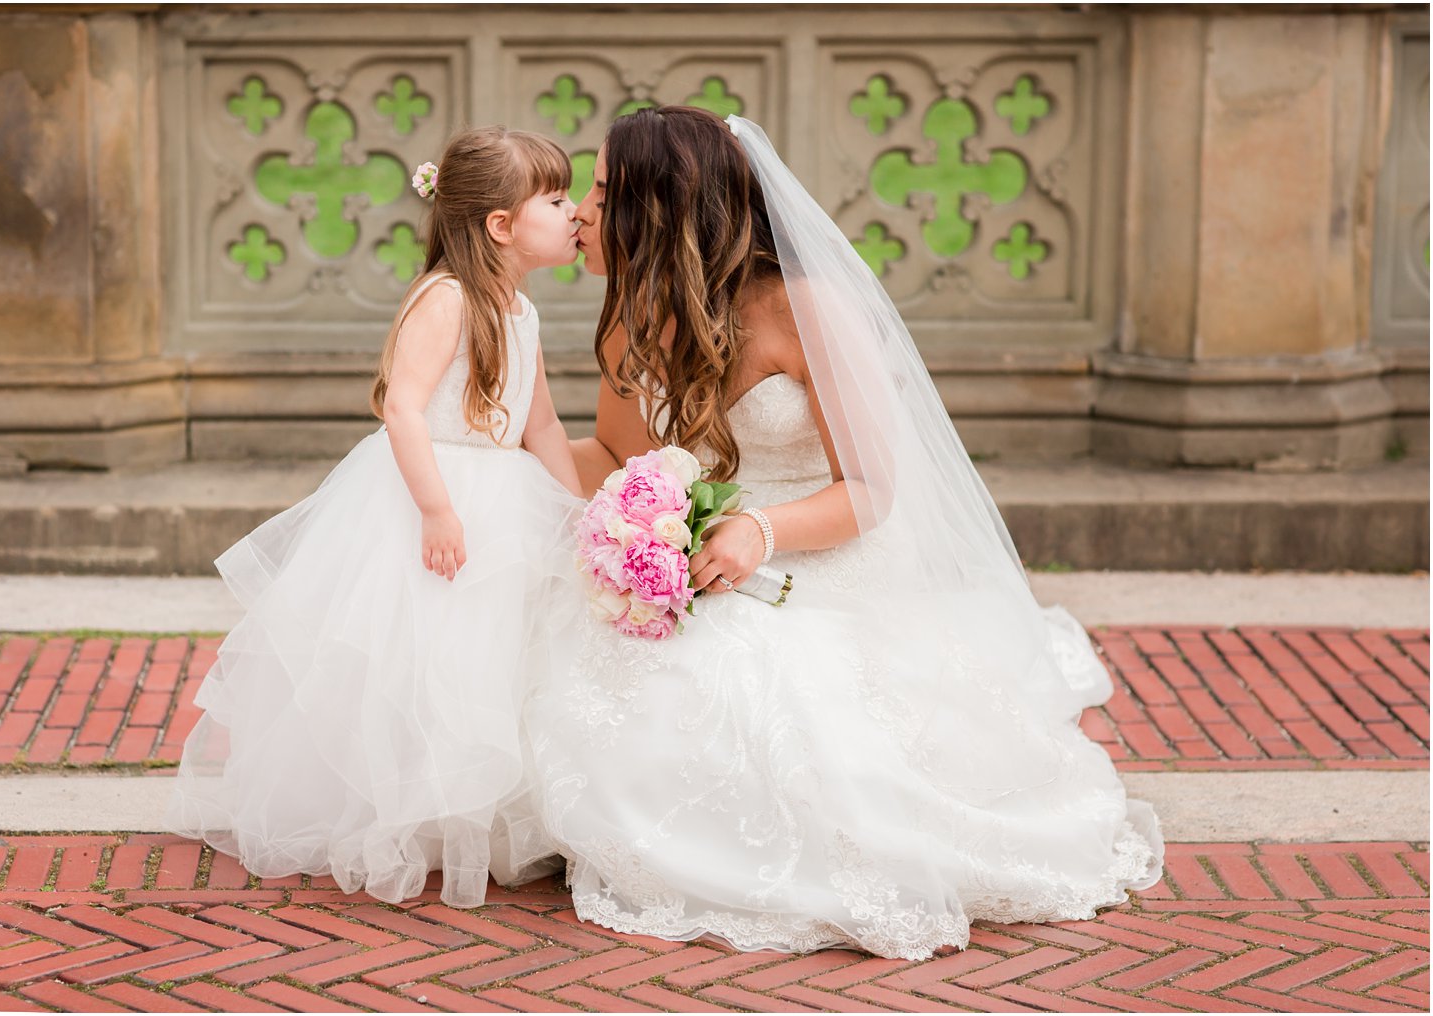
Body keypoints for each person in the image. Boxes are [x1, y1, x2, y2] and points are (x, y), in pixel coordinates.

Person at [527, 106, 1164, 960]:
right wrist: (498, 448)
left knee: (774, 703)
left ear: (660, 210)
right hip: (704, 556)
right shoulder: (630, 312)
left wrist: (760, 527)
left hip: (825, 547)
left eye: (603, 191)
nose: (581, 212)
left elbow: (871, 489)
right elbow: (615, 453)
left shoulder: (806, 306)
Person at [167, 125, 584, 909]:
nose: (573, 215)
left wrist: (576, 514)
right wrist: (435, 510)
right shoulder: (447, 297)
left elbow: (543, 427)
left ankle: (485, 815)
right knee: (424, 659)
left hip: (506, 498)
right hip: (434, 496)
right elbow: (404, 407)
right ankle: (410, 815)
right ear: (499, 225)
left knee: (493, 664)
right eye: (556, 199)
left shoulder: (518, 307)